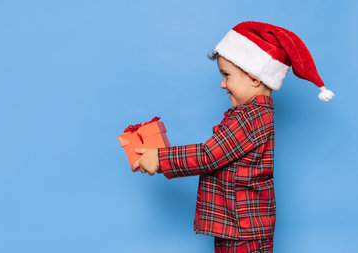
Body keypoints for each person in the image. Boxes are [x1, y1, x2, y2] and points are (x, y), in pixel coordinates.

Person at [131, 21, 334, 253]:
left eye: (226, 75)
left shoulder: (252, 117)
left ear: (255, 78)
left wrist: (161, 159)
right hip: (234, 224)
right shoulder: (248, 114)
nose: (222, 84)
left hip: (244, 229)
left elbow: (209, 155)